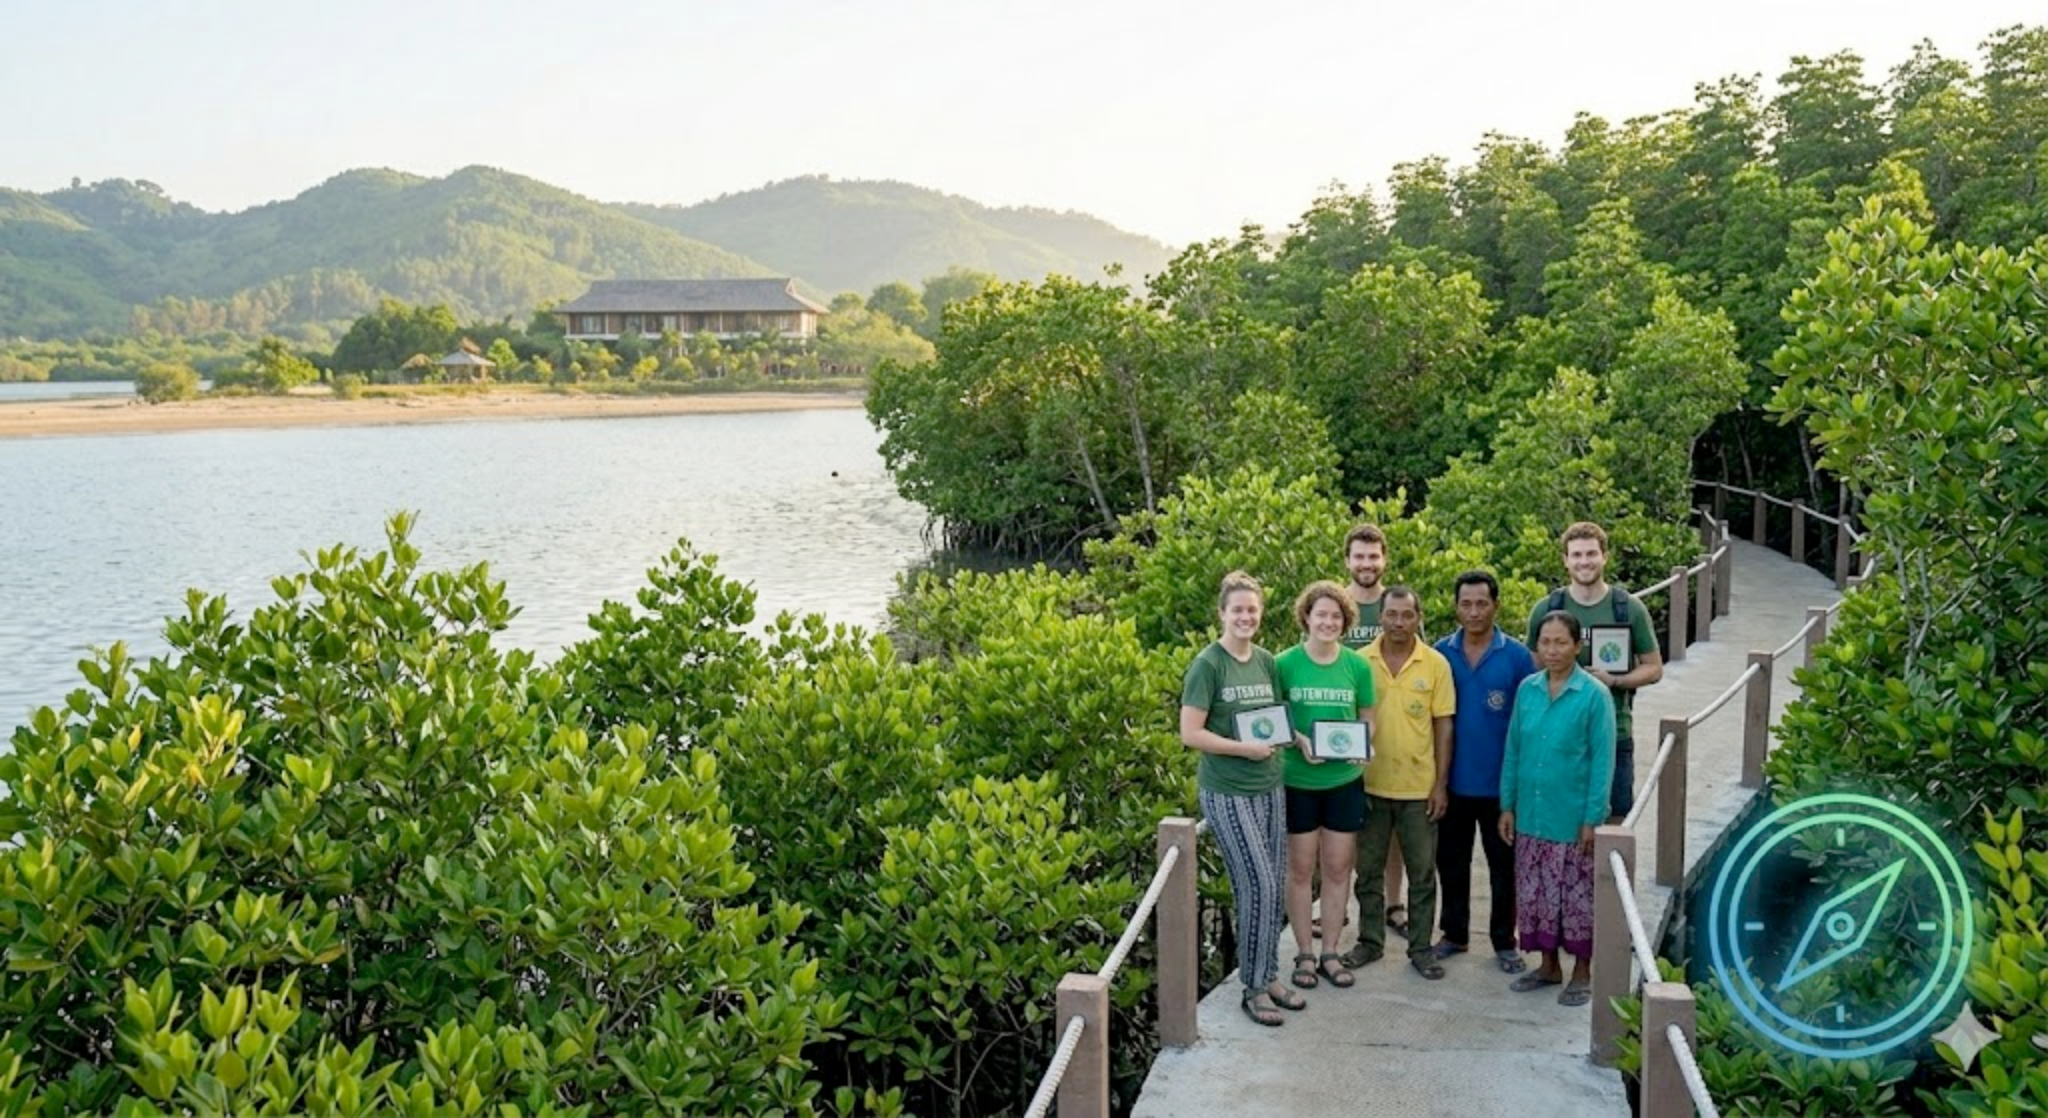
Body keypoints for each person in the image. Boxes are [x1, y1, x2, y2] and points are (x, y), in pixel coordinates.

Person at [1179, 570, 1306, 1027]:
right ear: (1222, 614)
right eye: (1237, 610)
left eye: (1252, 610)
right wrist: (1242, 750)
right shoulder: (1208, 665)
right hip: (1228, 791)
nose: (1245, 617)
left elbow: (1271, 719)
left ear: (1260, 613)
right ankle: (1253, 989)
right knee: (1259, 885)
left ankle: (1268, 974)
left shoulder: (1266, 661)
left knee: (1273, 883)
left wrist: (1299, 738)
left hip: (1270, 785)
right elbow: (1190, 733)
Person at [1499, 610, 1617, 1007]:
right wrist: (1507, 805)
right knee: (1534, 895)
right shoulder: (1528, 690)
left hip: (1571, 818)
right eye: (1545, 642)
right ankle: (1548, 966)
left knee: (1577, 898)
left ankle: (1582, 972)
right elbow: (1514, 749)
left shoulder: (1594, 696)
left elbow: (1603, 762)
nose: (1551, 650)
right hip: (1531, 815)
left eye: (1560, 642)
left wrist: (1592, 818)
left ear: (1578, 646)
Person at [1339, 586, 1456, 980]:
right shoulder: (1358, 662)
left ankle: (1421, 948)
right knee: (1367, 871)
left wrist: (1440, 784)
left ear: (1418, 617)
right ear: (1380, 617)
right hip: (1368, 784)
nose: (1399, 622)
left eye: (1407, 615)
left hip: (1418, 788)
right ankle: (1370, 942)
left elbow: (1443, 726)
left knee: (1422, 874)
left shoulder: (1436, 664)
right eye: (1392, 614)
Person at [1431, 570, 1538, 974]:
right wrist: (1436, 783)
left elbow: (1529, 722)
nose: (1474, 611)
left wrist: (1518, 788)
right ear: (1456, 606)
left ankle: (1503, 941)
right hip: (1453, 783)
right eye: (1466, 603)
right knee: (1452, 863)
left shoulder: (1516, 657)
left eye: (1482, 603)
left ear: (1496, 605)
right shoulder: (1440, 654)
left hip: (1501, 788)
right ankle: (1454, 934)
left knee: (1504, 868)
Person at [1275, 581, 1377, 992]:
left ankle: (1331, 952)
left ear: (1346, 621)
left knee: (1338, 870)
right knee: (1300, 871)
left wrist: (1363, 745)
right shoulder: (1283, 663)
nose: (1328, 622)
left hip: (1343, 782)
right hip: (1297, 780)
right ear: (1306, 617)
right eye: (1321, 614)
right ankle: (1303, 953)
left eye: (1336, 616)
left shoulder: (1357, 666)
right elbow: (1273, 718)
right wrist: (1296, 739)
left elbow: (1367, 714)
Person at [1525, 522, 1662, 822]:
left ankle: (1610, 873)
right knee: (1560, 821)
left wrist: (1615, 680)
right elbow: (1532, 671)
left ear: (1605, 557)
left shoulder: (1628, 608)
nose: (1583, 561)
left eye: (1590, 553)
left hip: (1614, 730)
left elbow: (1654, 668)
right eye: (1576, 555)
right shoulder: (1546, 608)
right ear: (1565, 560)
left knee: (1615, 823)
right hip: (1559, 734)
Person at [1339, 523, 1410, 939]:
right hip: (1342, 736)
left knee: (1394, 827)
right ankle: (1340, 906)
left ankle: (1394, 902)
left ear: (1384, 559)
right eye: (1359, 556)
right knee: (1343, 827)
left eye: (1373, 556)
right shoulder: (1333, 605)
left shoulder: (1397, 606)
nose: (1366, 564)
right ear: (1347, 560)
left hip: (1391, 734)